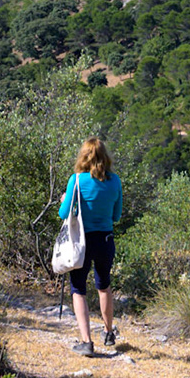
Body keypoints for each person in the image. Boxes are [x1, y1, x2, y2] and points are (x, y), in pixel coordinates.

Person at [58, 138, 122, 357]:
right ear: (105, 156)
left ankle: (86, 342)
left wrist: (65, 200)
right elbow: (116, 216)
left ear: (83, 156)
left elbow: (64, 214)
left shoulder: (76, 180)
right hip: (105, 239)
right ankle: (108, 332)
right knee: (104, 285)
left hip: (81, 242)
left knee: (79, 290)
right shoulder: (115, 182)